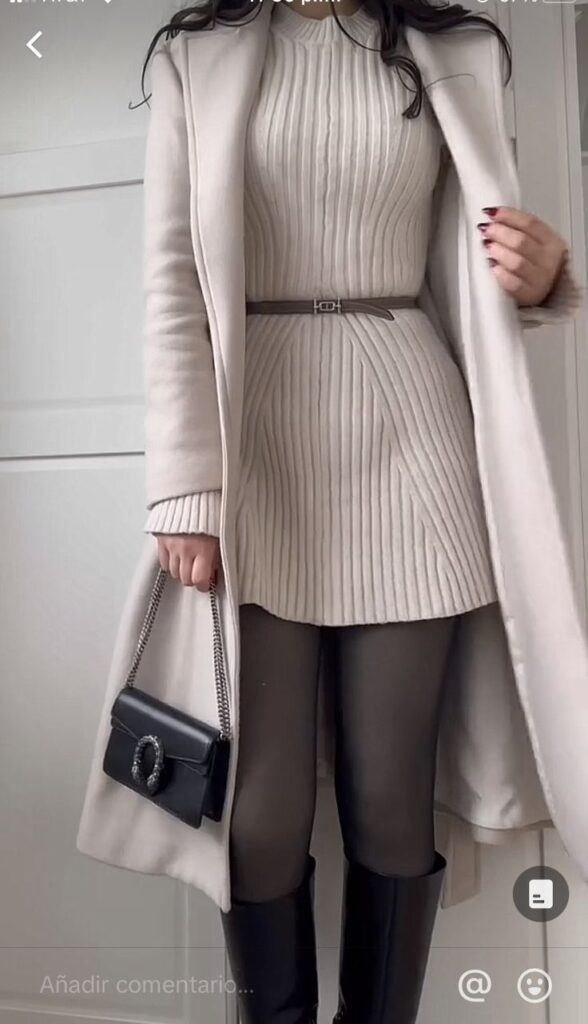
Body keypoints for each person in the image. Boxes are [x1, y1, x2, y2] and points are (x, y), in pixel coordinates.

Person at [139, 1, 578, 1021]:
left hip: (411, 442)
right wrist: (183, 482)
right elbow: (168, 277)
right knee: (257, 813)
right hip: (253, 451)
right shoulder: (193, 58)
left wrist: (549, 280)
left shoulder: (457, 49)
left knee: (389, 802)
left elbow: (472, 262)